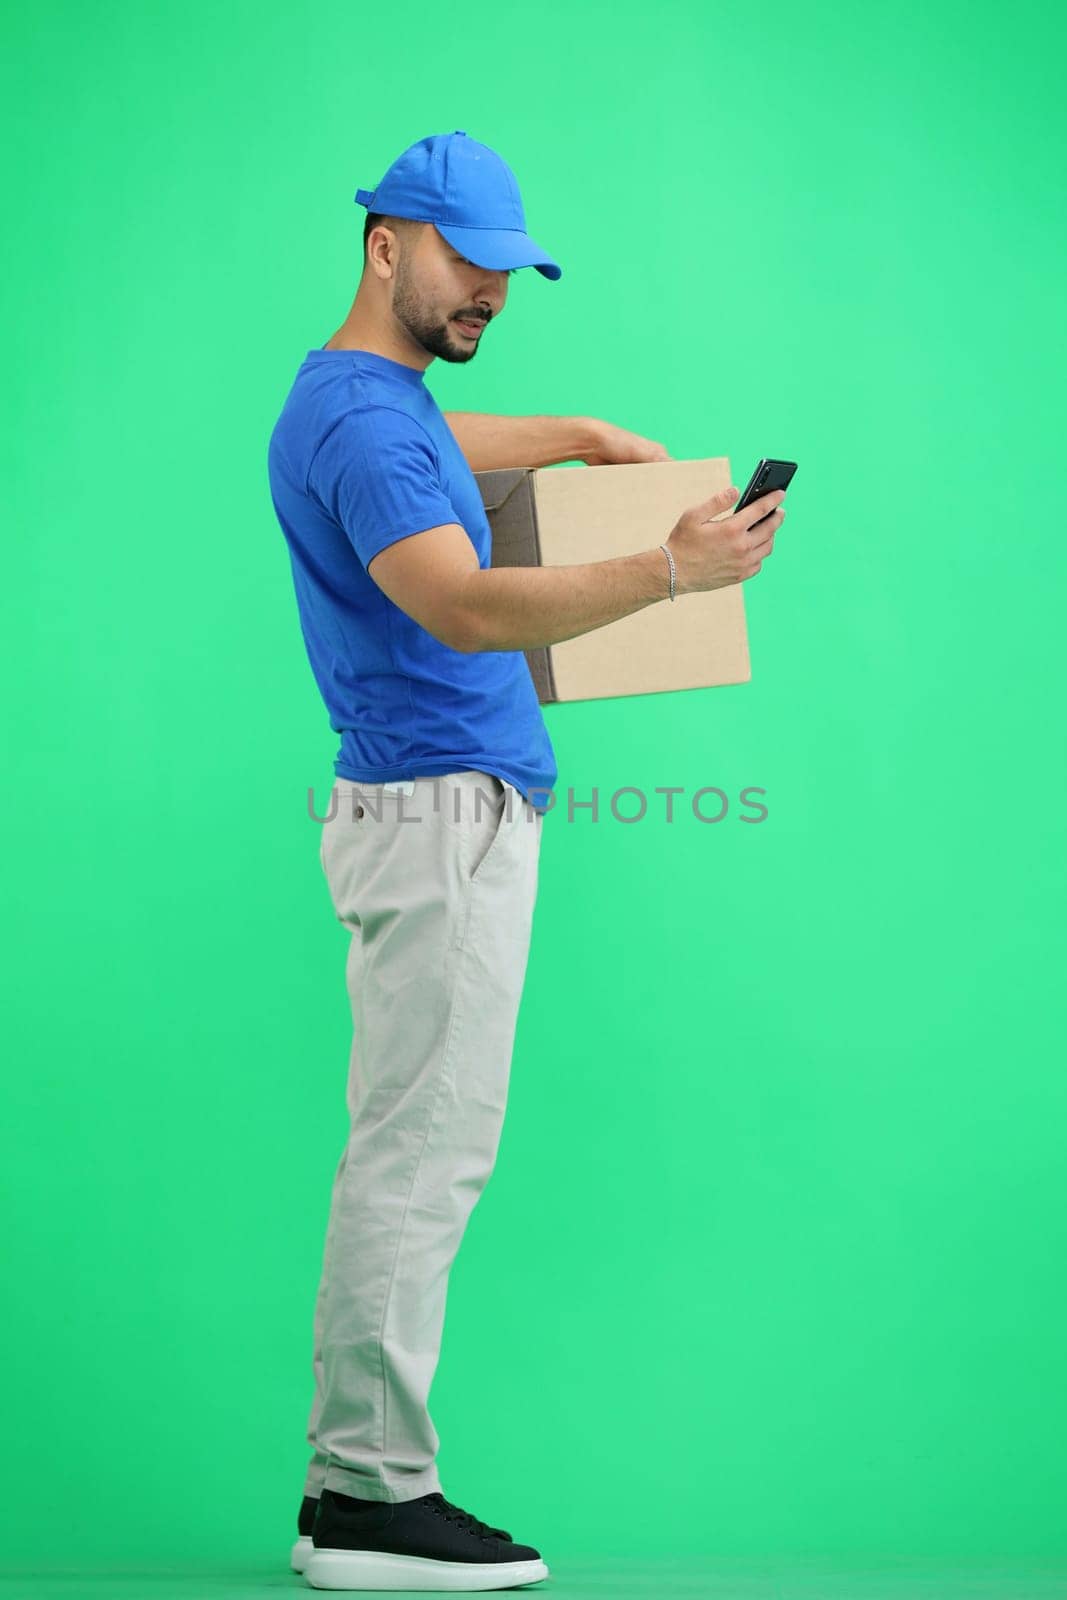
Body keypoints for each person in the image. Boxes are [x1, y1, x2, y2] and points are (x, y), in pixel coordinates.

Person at [266, 129, 785, 1594]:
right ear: (386, 247)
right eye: (464, 260)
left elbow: (440, 446)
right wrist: (671, 569)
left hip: (446, 812)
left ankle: (358, 1487)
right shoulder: (368, 426)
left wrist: (572, 435)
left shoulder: (373, 401)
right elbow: (463, 605)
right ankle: (363, 1498)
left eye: (506, 268)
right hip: (438, 820)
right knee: (419, 1157)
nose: (490, 287)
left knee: (425, 1145)